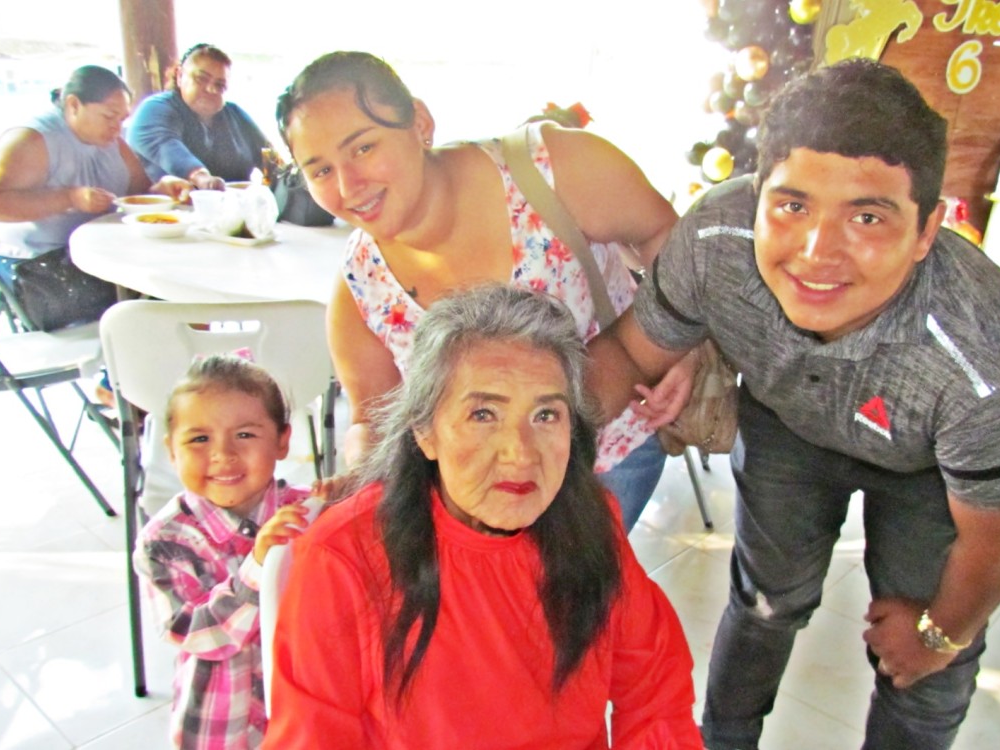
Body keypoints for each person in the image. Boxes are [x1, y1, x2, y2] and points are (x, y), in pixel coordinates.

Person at [587, 59, 1000, 749]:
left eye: (866, 215)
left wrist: (939, 634)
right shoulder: (716, 241)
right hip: (786, 428)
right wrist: (538, 450)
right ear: (756, 195)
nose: (815, 251)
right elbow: (629, 354)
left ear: (927, 230)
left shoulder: (989, 355)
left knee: (924, 671)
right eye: (791, 204)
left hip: (930, 473)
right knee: (762, 605)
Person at [264, 285, 701, 748]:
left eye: (546, 415)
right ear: (425, 432)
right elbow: (312, 736)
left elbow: (656, 690)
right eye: (484, 414)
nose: (520, 455)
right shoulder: (346, 558)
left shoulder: (589, 524)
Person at [275, 50, 690, 529]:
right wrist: (363, 478)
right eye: (321, 170)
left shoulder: (550, 169)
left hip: (609, 456)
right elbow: (374, 421)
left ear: (420, 123)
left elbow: (674, 243)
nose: (348, 186)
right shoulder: (361, 288)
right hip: (482, 495)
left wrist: (686, 344)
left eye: (363, 148)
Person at [134, 354, 327, 750]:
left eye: (245, 435)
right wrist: (258, 566)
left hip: (306, 718)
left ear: (283, 440)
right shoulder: (164, 541)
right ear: (171, 450)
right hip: (220, 728)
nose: (223, 454)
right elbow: (199, 634)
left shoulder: (311, 514)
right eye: (199, 439)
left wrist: (343, 502)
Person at [0, 65, 189, 327]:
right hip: (36, 267)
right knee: (158, 290)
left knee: (176, 275)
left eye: (122, 119)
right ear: (74, 105)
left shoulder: (112, 140)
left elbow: (139, 193)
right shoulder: (31, 139)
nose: (117, 128)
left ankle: (166, 359)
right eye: (109, 117)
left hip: (92, 255)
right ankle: (145, 359)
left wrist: (162, 189)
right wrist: (70, 198)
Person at [128, 43, 271, 190]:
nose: (211, 89)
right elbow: (167, 149)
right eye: (201, 79)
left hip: (235, 208)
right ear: (179, 75)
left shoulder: (235, 114)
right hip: (174, 210)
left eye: (220, 85)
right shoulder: (155, 108)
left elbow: (270, 158)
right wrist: (201, 178)